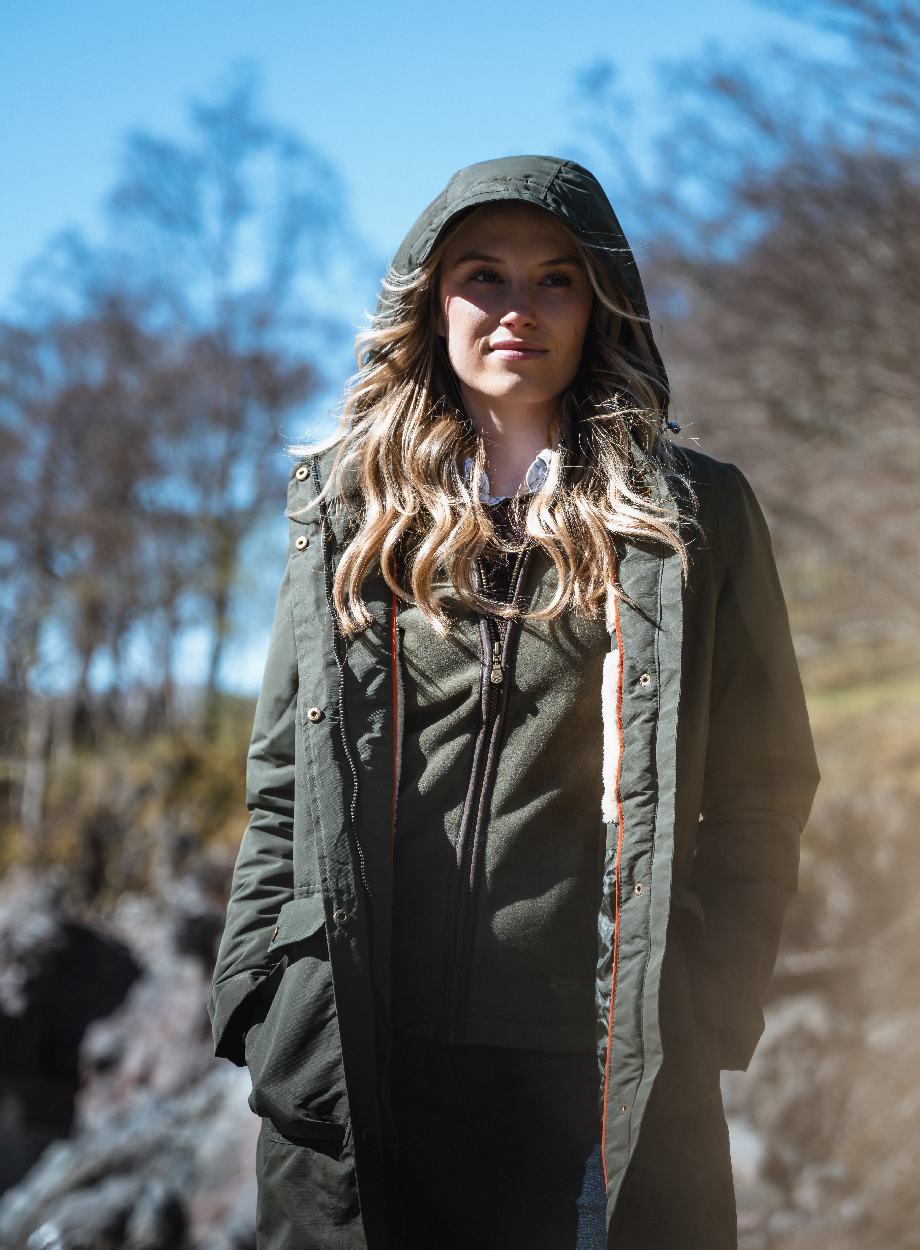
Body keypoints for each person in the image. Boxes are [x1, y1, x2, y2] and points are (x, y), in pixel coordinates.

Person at [207, 155, 820, 1250]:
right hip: (364, 1054)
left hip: (594, 1069)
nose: (516, 310)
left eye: (555, 281)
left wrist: (708, 993)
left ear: (600, 304)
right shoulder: (346, 516)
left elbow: (763, 780)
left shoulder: (694, 514)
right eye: (483, 276)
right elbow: (279, 792)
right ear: (430, 301)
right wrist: (262, 997)